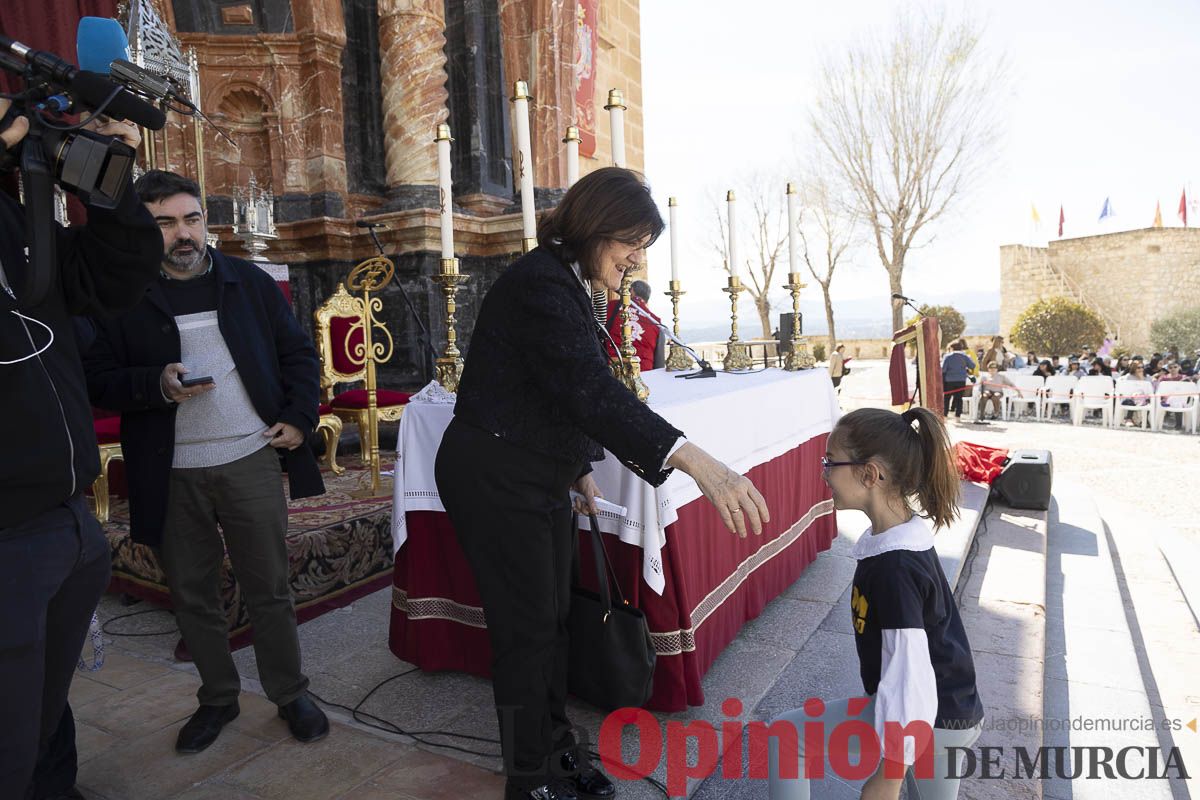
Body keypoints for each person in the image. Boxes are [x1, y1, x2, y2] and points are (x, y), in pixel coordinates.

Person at [435, 167, 770, 800]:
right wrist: (696, 460)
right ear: (596, 227)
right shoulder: (542, 285)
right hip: (495, 477)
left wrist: (578, 467)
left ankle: (554, 751)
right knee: (526, 632)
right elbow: (588, 391)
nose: (637, 258)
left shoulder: (561, 280)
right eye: (631, 242)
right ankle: (529, 776)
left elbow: (555, 389)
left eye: (644, 245)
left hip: (532, 472)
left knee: (553, 620)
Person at [82, 170, 329, 755]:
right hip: (169, 472)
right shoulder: (120, 295)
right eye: (165, 223)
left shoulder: (248, 282)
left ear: (206, 221)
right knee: (192, 593)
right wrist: (155, 384)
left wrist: (299, 417)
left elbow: (297, 353)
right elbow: (96, 378)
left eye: (191, 219)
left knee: (267, 586)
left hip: (249, 456)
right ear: (144, 230)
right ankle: (218, 697)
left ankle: (290, 692)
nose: (183, 233)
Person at [0, 99, 162, 799]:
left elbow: (111, 280)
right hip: (7, 536)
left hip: (67, 525)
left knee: (41, 720)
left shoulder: (10, 218)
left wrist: (99, 175)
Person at [768, 407, 984, 800]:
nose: (825, 473)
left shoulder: (895, 567)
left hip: (930, 719)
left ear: (869, 474)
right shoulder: (898, 538)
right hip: (943, 713)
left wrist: (891, 774)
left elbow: (910, 673)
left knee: (787, 737)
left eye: (830, 463)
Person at [604, 278, 661, 369]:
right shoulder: (655, 321)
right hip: (645, 373)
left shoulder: (612, 306)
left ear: (631, 291)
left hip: (614, 369)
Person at [940, 341, 974, 419]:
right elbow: (972, 366)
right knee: (959, 398)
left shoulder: (947, 356)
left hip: (949, 380)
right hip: (961, 380)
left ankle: (945, 415)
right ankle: (957, 416)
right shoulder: (965, 356)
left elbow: (943, 369)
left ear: (952, 348)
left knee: (947, 398)